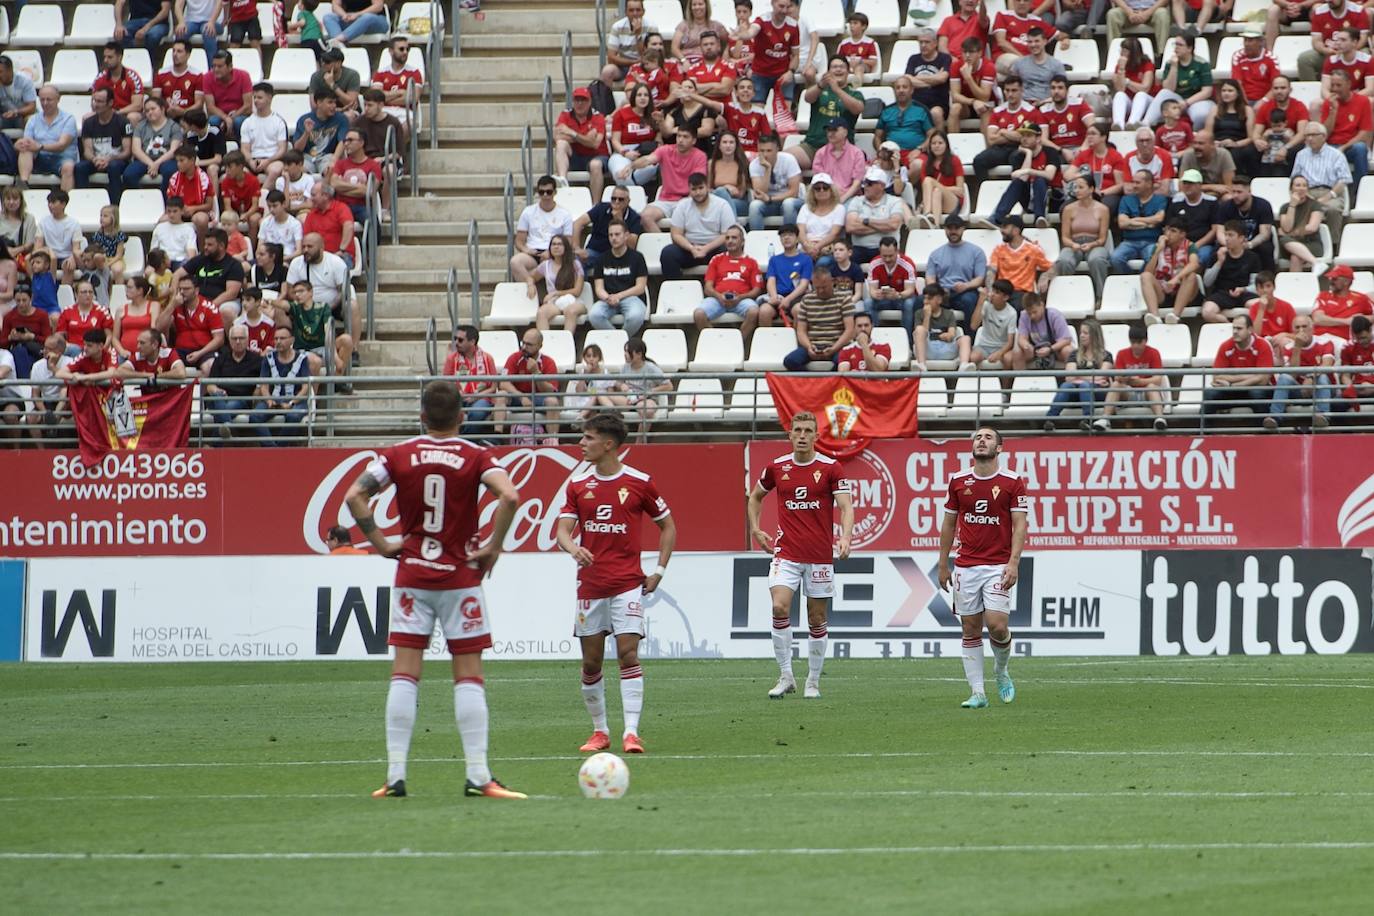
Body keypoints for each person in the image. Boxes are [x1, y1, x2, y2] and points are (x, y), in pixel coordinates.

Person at [344, 380, 525, 799]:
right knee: (469, 677)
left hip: (412, 576)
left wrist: (383, 543)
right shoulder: (476, 455)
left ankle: (395, 776)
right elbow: (511, 497)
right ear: (462, 416)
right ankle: (478, 776)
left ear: (422, 416)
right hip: (460, 578)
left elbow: (356, 496)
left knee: (405, 674)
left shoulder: (398, 455)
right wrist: (493, 547)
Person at [555, 411, 676, 756]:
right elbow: (562, 530)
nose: (581, 443)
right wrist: (574, 547)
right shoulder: (578, 484)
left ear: (608, 444)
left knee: (627, 653)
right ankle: (600, 731)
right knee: (591, 663)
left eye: (588, 437)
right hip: (590, 586)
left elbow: (668, 526)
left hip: (627, 584)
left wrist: (659, 571)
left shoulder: (639, 482)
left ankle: (632, 733)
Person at [747, 411, 854, 700]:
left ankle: (813, 681)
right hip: (787, 553)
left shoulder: (832, 468)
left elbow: (845, 506)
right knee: (779, 607)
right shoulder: (776, 467)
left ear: (817, 436)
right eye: (798, 430)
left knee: (816, 619)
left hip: (819, 556)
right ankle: (785, 676)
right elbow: (755, 496)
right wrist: (756, 529)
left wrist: (845, 536)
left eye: (808, 430)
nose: (803, 435)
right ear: (790, 435)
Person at [938, 426, 1029, 709]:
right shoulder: (958, 480)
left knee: (997, 627)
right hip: (966, 566)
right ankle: (978, 693)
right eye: (977, 437)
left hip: (998, 565)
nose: (981, 440)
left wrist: (1013, 562)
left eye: (988, 437)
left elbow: (1019, 525)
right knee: (970, 629)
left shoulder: (1013, 482)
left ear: (999, 448)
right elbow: (949, 523)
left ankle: (1001, 672)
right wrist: (943, 563)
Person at [1095, 323, 1167, 431]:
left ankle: (1160, 418)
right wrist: (1126, 379)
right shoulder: (1121, 354)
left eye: (1139, 342)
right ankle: (1105, 419)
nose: (1136, 346)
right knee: (1115, 385)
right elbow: (1117, 377)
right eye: (1133, 342)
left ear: (1145, 340)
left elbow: (1158, 379)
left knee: (1152, 386)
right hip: (1128, 392)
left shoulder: (1154, 353)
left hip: (1147, 393)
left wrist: (1139, 381)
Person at [1203, 314, 1275, 423]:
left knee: (1257, 393)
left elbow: (1263, 379)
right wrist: (1251, 376)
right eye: (1234, 328)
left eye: (1239, 328)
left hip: (1253, 389)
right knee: (1209, 394)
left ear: (1250, 330)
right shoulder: (1225, 346)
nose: (1235, 331)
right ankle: (1204, 434)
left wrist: (1233, 384)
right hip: (1233, 391)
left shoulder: (1263, 345)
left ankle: (1262, 434)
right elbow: (1217, 377)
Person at [1269, 314, 1336, 429]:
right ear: (1292, 330)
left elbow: (1326, 365)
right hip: (1299, 390)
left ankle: (1323, 416)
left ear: (1312, 328)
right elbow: (1292, 374)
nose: (1301, 330)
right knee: (1284, 377)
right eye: (1297, 327)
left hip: (1324, 389)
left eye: (1304, 326)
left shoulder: (1325, 342)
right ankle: (1275, 418)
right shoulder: (1289, 347)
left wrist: (1311, 378)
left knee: (1323, 376)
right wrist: (1297, 347)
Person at [782, 264, 855, 370]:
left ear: (832, 282)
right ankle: (811, 382)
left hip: (837, 344)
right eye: (817, 288)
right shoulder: (807, 300)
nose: (820, 291)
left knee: (843, 361)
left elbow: (849, 330)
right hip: (813, 344)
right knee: (790, 361)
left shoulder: (844, 299)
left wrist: (834, 348)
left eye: (824, 287)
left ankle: (828, 383)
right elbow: (801, 331)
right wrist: (809, 347)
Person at [1045, 318, 1112, 431]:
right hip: (1077, 392)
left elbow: (1101, 376)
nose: (1081, 336)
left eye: (1085, 333)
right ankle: (1049, 420)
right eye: (1081, 332)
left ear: (1094, 335)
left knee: (1084, 386)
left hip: (1097, 393)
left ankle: (1087, 420)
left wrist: (1079, 378)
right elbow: (1069, 377)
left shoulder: (1106, 355)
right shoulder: (1074, 354)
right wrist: (1090, 378)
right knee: (1066, 386)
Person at [697, 225, 763, 336]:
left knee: (754, 312)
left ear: (742, 242)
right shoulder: (716, 259)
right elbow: (708, 288)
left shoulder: (751, 262)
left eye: (734, 238)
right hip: (718, 299)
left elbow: (757, 290)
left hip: (741, 300)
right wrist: (719, 296)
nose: (730, 241)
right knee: (698, 314)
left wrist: (740, 297)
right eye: (727, 238)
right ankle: (717, 343)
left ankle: (737, 344)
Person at [1055, 177, 1112, 302]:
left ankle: (1101, 297)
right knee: (1064, 260)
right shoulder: (1068, 209)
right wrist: (1072, 244)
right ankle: (1066, 296)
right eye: (1075, 187)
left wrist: (1092, 244)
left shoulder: (1103, 209)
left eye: (1081, 187)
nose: (1077, 191)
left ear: (1091, 189)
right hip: (1074, 243)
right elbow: (1065, 237)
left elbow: (1103, 238)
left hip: (1095, 243)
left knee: (1097, 259)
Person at [252, 323, 312, 441]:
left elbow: (305, 387)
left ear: (292, 340)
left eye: (282, 338)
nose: (278, 341)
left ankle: (278, 449)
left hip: (296, 401)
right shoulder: (268, 358)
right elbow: (264, 386)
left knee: (293, 416)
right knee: (254, 417)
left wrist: (291, 403)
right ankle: (274, 450)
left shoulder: (302, 358)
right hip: (274, 399)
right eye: (276, 338)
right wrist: (269, 401)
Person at [510, 175, 575, 285]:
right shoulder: (528, 212)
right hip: (532, 253)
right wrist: (526, 250)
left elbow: (568, 241)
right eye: (541, 192)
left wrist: (551, 253)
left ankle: (533, 288)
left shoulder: (565, 214)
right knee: (515, 262)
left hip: (554, 253)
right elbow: (519, 241)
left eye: (548, 192)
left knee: (549, 264)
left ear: (555, 192)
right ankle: (531, 288)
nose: (545, 195)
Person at [589, 220, 650, 336]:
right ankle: (618, 340)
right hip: (608, 299)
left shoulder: (637, 257)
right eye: (611, 235)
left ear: (626, 235)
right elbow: (599, 288)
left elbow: (640, 287)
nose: (613, 238)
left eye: (617, 234)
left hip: (632, 298)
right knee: (594, 315)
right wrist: (608, 298)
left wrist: (619, 296)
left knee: (635, 316)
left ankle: (620, 341)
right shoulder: (601, 259)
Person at [499, 328, 560, 441]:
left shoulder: (548, 362)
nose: (524, 347)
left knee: (553, 402)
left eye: (529, 344)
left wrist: (536, 373)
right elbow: (503, 383)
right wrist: (521, 397)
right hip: (517, 398)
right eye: (523, 343)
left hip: (538, 399)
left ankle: (553, 441)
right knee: (501, 395)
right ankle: (497, 438)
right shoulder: (514, 357)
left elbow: (551, 391)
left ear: (539, 346)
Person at [606, 337, 672, 442]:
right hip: (629, 399)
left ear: (639, 354)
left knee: (648, 411)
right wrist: (621, 386)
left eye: (628, 352)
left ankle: (639, 442)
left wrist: (649, 392)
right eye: (625, 351)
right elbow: (618, 382)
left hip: (646, 399)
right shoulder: (625, 367)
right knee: (603, 395)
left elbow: (668, 386)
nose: (625, 354)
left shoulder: (651, 368)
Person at [75, 89, 133, 204]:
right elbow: (87, 150)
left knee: (114, 167)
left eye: (100, 101)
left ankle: (115, 204)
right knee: (79, 168)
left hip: (117, 160)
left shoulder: (123, 122)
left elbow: (127, 152)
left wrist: (109, 158)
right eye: (94, 100)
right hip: (96, 159)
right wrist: (94, 159)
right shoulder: (88, 122)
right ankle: (84, 203)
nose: (95, 104)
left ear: (110, 103)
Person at [16, 85, 79, 192]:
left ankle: (64, 200)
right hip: (40, 158)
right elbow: (27, 142)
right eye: (42, 100)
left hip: (62, 158)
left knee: (68, 167)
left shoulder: (69, 119)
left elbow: (62, 145)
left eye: (49, 99)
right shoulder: (33, 119)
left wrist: (40, 146)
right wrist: (19, 144)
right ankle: (23, 185)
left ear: (58, 99)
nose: (45, 103)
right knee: (25, 150)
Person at [205, 322, 264, 435]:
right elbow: (210, 385)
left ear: (247, 340)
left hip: (242, 400)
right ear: (230, 340)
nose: (237, 341)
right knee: (218, 399)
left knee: (229, 406)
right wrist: (217, 391)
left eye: (241, 338)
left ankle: (218, 439)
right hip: (220, 398)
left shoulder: (257, 360)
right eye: (234, 338)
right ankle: (229, 427)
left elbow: (261, 385)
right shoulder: (220, 359)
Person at [442, 324, 500, 439]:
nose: (456, 343)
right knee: (445, 409)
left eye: (460, 340)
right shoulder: (451, 359)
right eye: (455, 339)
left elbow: (493, 387)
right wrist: (457, 394)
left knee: (477, 413)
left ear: (472, 341)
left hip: (482, 397)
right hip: (457, 398)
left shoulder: (487, 358)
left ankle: (466, 441)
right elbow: (445, 384)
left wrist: (476, 396)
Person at [926, 215, 988, 321]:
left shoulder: (976, 252)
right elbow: (930, 278)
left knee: (969, 300)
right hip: (942, 292)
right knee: (917, 301)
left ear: (963, 229)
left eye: (957, 228)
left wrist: (966, 285)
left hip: (965, 291)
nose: (953, 231)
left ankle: (970, 335)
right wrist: (938, 290)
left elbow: (980, 278)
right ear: (945, 229)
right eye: (950, 228)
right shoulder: (935, 254)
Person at [1146, 35, 1215, 130]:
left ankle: (1194, 136)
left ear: (1189, 48)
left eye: (1180, 45)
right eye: (1175, 44)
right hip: (1177, 99)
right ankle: (1145, 124)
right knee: (1164, 93)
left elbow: (1207, 91)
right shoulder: (1170, 63)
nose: (1176, 47)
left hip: (1197, 100)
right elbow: (1169, 89)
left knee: (1200, 115)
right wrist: (1174, 67)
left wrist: (1186, 103)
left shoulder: (1202, 64)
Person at [974, 77, 1037, 181]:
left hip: (1020, 148)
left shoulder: (1030, 111)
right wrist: (1015, 134)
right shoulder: (998, 111)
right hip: (1000, 149)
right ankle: (985, 192)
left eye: (1014, 90)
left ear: (1021, 90)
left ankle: (1018, 194)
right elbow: (991, 139)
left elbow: (1023, 138)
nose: (1010, 94)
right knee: (979, 160)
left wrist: (1003, 131)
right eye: (1007, 90)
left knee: (1016, 157)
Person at [157, 274, 225, 370]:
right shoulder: (176, 305)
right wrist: (172, 305)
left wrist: (199, 353)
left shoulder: (209, 308)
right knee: (163, 366)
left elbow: (219, 339)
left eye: (186, 289)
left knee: (209, 367)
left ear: (196, 291)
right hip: (180, 350)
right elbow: (158, 328)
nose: (182, 292)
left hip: (204, 351)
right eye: (180, 289)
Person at [1200, 221, 1262, 324]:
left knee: (1259, 306)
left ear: (1241, 238)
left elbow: (1256, 285)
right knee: (1207, 312)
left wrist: (1243, 289)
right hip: (1222, 293)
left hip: (1245, 293)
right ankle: (1231, 328)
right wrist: (1219, 262)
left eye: (1231, 235)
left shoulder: (1253, 257)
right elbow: (1207, 282)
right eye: (1226, 235)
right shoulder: (1217, 255)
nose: (1227, 238)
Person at [1141, 219, 1202, 325]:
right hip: (1164, 292)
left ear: (1182, 234)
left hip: (1184, 291)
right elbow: (1148, 272)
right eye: (1166, 230)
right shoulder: (1158, 247)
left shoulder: (1190, 246)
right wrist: (1158, 250)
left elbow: (1194, 264)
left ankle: (1175, 316)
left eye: (1173, 231)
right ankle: (1155, 317)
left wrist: (1177, 278)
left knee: (1191, 276)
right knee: (1145, 276)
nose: (1168, 234)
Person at [555, 88, 609, 204]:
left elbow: (595, 144)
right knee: (561, 144)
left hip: (597, 155)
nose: (580, 104)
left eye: (583, 100)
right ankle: (563, 182)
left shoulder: (598, 117)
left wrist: (571, 133)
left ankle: (595, 205)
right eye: (577, 100)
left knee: (596, 165)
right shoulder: (565, 114)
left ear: (589, 102)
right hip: (575, 156)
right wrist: (585, 138)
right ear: (573, 102)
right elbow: (557, 136)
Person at [1317, 68, 1373, 181]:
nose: (1335, 89)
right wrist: (1333, 111)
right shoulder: (1329, 102)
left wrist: (1343, 147)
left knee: (1360, 148)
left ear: (1348, 84)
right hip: (1331, 145)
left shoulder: (1363, 101)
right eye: (1333, 85)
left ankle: (1359, 190)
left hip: (1351, 146)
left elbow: (1364, 133)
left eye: (1339, 85)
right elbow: (1324, 134)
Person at [573, 187, 643, 271]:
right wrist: (577, 248)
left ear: (628, 201)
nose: (616, 201)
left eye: (621, 199)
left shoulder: (634, 217)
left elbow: (632, 245)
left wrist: (620, 221)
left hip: (620, 254)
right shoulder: (601, 208)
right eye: (613, 198)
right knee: (576, 262)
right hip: (595, 252)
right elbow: (577, 224)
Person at [1111, 170, 1168, 274]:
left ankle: (1142, 280)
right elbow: (1122, 223)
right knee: (1115, 258)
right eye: (1133, 182)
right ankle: (1130, 279)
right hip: (1129, 241)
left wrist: (1133, 221)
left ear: (1149, 184)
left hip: (1152, 242)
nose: (1134, 185)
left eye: (1138, 183)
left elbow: (1159, 218)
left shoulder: (1160, 199)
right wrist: (1148, 223)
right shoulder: (1126, 199)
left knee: (1153, 257)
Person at [988, 217, 1054, 305]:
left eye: (1005, 227)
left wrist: (1045, 277)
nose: (1001, 230)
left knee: (1019, 305)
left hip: (1022, 292)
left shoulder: (1033, 250)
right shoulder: (998, 249)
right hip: (1002, 291)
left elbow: (1052, 267)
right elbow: (991, 271)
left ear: (1016, 230)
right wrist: (990, 291)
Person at [863, 236, 919, 340]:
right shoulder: (874, 263)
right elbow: (872, 289)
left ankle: (907, 339)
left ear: (897, 251)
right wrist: (876, 294)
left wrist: (898, 295)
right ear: (880, 252)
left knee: (909, 304)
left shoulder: (907, 264)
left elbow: (910, 290)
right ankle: (873, 338)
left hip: (902, 298)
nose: (887, 259)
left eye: (891, 256)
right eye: (884, 256)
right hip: (884, 299)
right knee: (868, 303)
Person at [845, 168, 906, 263]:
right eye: (865, 182)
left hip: (886, 249)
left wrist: (866, 221)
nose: (865, 186)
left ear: (882, 186)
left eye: (870, 183)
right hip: (859, 249)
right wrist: (883, 227)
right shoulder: (856, 200)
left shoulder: (895, 201)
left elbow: (893, 225)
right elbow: (850, 227)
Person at [760, 223, 813, 326]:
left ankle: (798, 340)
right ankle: (767, 340)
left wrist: (788, 299)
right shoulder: (774, 260)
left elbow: (803, 284)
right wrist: (774, 297)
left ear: (797, 239)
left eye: (790, 235)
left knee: (799, 311)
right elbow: (771, 281)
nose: (786, 238)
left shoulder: (806, 259)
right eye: (783, 235)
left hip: (797, 297)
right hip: (778, 296)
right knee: (764, 311)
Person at [747, 133, 803, 230]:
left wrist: (770, 199)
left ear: (777, 149)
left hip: (791, 200)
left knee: (788, 204)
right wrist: (767, 169)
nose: (765, 154)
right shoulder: (754, 165)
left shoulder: (789, 160)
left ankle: (790, 239)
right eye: (762, 151)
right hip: (769, 203)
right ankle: (757, 240)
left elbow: (794, 192)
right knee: (754, 206)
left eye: (769, 151)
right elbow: (760, 193)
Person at [1165, 169, 1220, 267]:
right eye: (1185, 183)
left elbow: (1214, 229)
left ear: (1199, 185)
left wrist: (1195, 246)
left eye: (1191, 183)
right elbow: (1169, 226)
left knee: (1203, 255)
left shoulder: (1211, 202)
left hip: (1203, 244)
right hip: (1178, 242)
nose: (1187, 186)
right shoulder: (1176, 201)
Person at [914, 284, 974, 370]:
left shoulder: (949, 314)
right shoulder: (919, 313)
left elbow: (952, 334)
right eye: (925, 298)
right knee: (919, 329)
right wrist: (927, 316)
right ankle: (922, 365)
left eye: (929, 299)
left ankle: (964, 366)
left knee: (966, 338)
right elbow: (922, 334)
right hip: (927, 349)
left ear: (939, 300)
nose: (925, 302)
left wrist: (948, 335)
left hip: (946, 348)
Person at [1013, 292, 1074, 370]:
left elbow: (1066, 339)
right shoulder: (1024, 315)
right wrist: (1026, 346)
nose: (1032, 316)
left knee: (1068, 351)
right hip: (1034, 350)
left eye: (1035, 312)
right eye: (1029, 313)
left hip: (1054, 349)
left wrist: (1050, 349)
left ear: (1042, 305)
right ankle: (1020, 380)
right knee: (1017, 353)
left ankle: (1070, 379)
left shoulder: (1054, 315)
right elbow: (1022, 338)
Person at [1313, 264, 1374, 340]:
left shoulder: (1360, 299)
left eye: (1335, 279)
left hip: (1341, 341)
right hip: (1319, 338)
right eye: (1330, 278)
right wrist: (1346, 321)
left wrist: (1359, 320)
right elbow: (1318, 319)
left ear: (1346, 282)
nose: (1331, 281)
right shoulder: (1323, 295)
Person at [969, 279, 1019, 369]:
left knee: (1008, 359)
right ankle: (975, 383)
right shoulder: (985, 305)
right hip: (984, 346)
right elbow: (973, 326)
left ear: (1005, 297)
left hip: (1002, 347)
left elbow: (1010, 342)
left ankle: (1005, 383)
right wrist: (980, 302)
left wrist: (999, 353)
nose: (992, 294)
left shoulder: (1012, 313)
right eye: (992, 291)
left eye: (996, 292)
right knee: (973, 357)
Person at [796, 173, 845, 260]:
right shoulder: (805, 207)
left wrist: (817, 247)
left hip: (827, 248)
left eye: (825, 187)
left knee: (823, 263)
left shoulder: (839, 208)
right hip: (806, 247)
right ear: (813, 191)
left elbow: (834, 234)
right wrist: (806, 245)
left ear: (831, 190)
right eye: (817, 188)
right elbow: (800, 231)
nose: (821, 190)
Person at [1111, 37, 1156, 130]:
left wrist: (1127, 82)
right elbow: (1120, 89)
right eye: (1121, 50)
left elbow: (1145, 88)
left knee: (1141, 95)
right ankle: (1118, 124)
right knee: (1119, 95)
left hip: (1147, 102)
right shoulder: (1119, 66)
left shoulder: (1147, 64)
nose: (1121, 53)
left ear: (1133, 53)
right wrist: (1121, 69)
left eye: (1124, 51)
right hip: (1129, 100)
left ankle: (1132, 123)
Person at [118, 327, 187, 382]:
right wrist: (144, 375)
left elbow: (181, 372)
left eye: (142, 343)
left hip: (170, 398)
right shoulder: (138, 355)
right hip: (148, 399)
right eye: (138, 342)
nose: (138, 347)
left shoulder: (169, 353)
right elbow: (119, 372)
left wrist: (156, 376)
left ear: (155, 345)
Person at [322, 0, 391, 46]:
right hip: (352, 19)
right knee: (328, 17)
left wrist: (357, 15)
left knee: (367, 17)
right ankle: (338, 46)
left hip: (376, 20)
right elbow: (335, 6)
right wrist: (344, 15)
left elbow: (378, 6)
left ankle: (338, 40)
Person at [0, 55, 39, 133]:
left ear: (10, 70)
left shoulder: (24, 81)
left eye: (0, 72)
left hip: (22, 116)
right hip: (3, 117)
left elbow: (32, 107)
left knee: (30, 121)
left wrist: (16, 112)